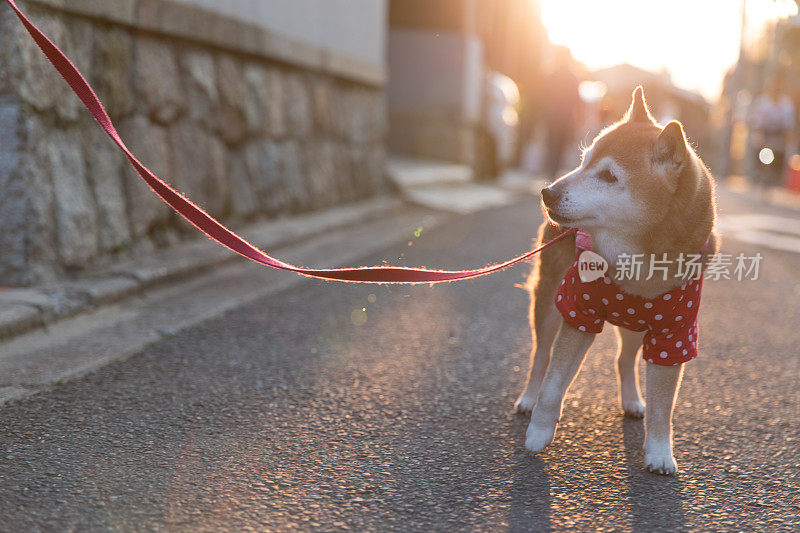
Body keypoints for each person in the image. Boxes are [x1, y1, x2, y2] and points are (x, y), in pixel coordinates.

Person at [747, 75, 795, 193]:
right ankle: (759, 172)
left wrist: (788, 135)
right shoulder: (763, 101)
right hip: (764, 134)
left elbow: (789, 122)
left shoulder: (786, 104)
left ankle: (773, 176)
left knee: (778, 155)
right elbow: (754, 118)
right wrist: (757, 127)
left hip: (778, 135)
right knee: (760, 149)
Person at [543, 47, 581, 179]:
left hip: (553, 116)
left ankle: (551, 171)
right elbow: (577, 100)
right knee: (560, 146)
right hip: (565, 117)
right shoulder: (572, 77)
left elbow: (545, 96)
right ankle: (554, 172)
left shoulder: (552, 75)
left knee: (552, 144)